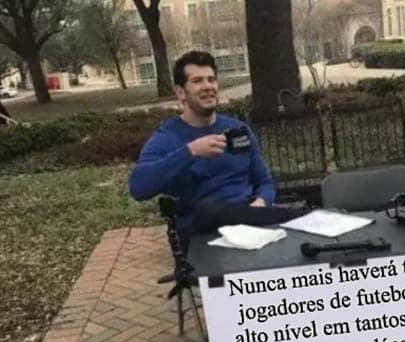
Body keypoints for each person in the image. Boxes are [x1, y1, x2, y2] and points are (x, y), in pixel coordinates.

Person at [129, 51, 305, 244]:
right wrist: (191, 151)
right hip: (203, 234)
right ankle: (298, 216)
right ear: (180, 93)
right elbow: (138, 187)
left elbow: (264, 182)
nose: (208, 86)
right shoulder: (167, 138)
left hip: (251, 223)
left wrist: (260, 203)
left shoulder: (238, 131)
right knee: (208, 210)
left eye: (211, 80)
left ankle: (304, 217)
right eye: (197, 81)